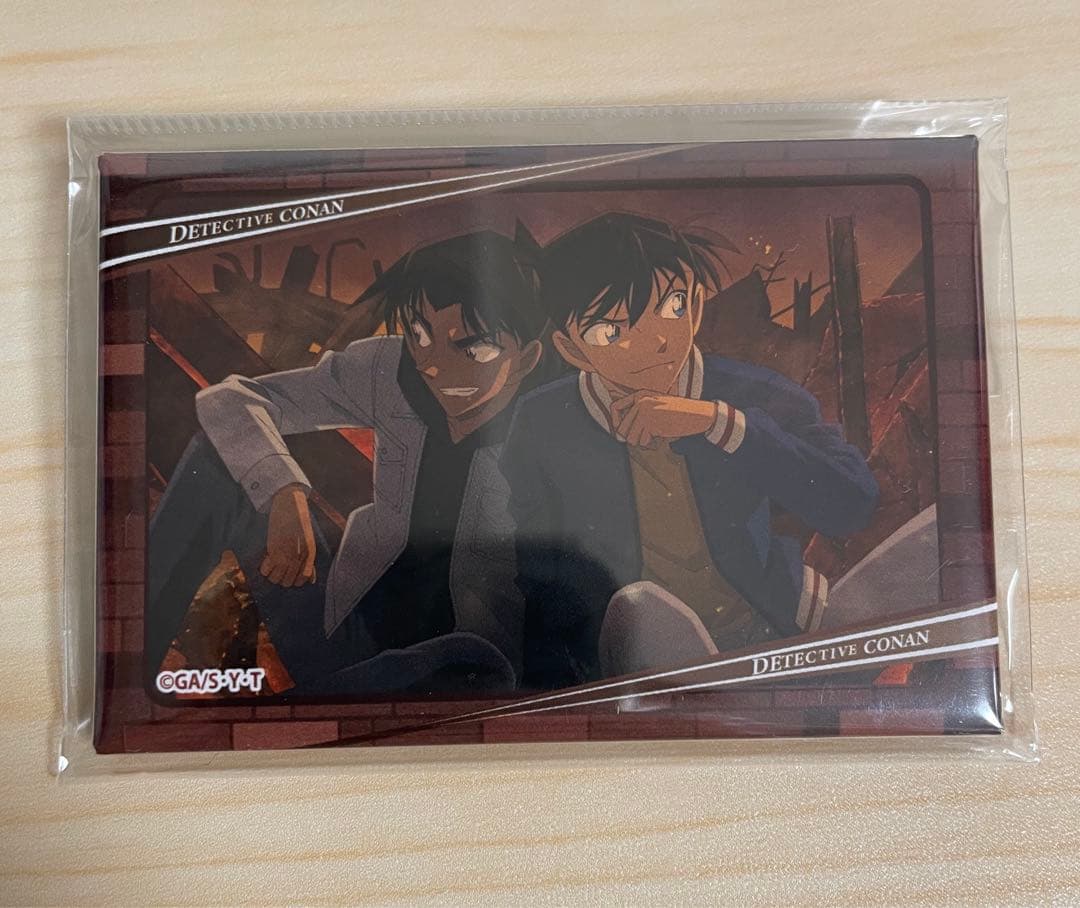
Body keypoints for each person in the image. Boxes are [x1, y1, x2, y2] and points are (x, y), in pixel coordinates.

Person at [148, 228, 551, 696]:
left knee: (471, 656)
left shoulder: (550, 430)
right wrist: (282, 489)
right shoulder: (390, 371)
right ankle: (134, 664)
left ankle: (307, 713)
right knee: (217, 461)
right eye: (420, 335)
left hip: (455, 671)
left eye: (473, 349)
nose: (434, 365)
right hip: (342, 634)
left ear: (527, 359)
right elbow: (229, 400)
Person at [501, 213, 879, 689]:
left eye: (672, 305)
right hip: (637, 655)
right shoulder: (543, 421)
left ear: (697, 304)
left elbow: (852, 504)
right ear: (571, 348)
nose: (656, 341)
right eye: (611, 331)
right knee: (643, 606)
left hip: (772, 628)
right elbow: (539, 575)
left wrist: (719, 423)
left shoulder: (754, 394)